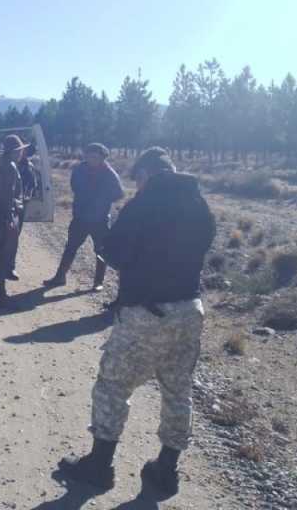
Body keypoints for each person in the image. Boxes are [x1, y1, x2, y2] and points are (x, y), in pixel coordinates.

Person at [58, 147, 216, 498]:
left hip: (145, 311)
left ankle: (99, 467)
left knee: (113, 385)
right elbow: (206, 242)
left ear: (145, 175)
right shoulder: (199, 203)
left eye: (138, 179)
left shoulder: (144, 204)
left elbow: (111, 251)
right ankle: (166, 471)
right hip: (189, 309)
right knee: (178, 390)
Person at [44, 143, 123, 290]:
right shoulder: (79, 169)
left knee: (101, 251)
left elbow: (119, 193)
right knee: (70, 247)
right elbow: (74, 185)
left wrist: (102, 198)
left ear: (102, 157)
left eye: (95, 156)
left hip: (100, 220)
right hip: (80, 217)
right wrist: (85, 197)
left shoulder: (109, 173)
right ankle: (60, 277)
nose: (91, 159)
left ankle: (98, 282)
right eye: (88, 156)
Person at [0, 134, 27, 306]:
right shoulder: (9, 167)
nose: (21, 153)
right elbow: (6, 195)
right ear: (14, 151)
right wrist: (9, 217)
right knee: (0, 255)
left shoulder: (0, 163)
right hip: (3, 215)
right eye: (20, 150)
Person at [5, 143, 38, 282]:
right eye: (20, 150)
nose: (22, 153)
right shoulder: (5, 165)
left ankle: (9, 267)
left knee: (13, 238)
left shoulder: (29, 166)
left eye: (23, 150)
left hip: (19, 206)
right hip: (5, 206)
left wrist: (27, 195)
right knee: (1, 238)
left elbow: (33, 184)